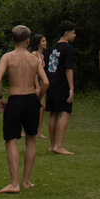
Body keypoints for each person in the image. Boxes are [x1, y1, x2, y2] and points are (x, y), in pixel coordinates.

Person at [0, 24, 49, 194]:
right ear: (27, 41)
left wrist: (0, 98)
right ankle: (25, 181)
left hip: (15, 99)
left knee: (11, 140)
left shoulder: (7, 57)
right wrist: (38, 99)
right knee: (31, 139)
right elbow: (45, 83)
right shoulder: (34, 59)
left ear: (12, 40)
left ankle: (14, 183)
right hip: (31, 99)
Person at [44, 21, 77, 154]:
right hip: (61, 84)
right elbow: (68, 69)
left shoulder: (54, 47)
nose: (75, 36)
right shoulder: (67, 48)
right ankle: (59, 145)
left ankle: (52, 145)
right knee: (65, 113)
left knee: (53, 113)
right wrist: (71, 88)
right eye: (73, 33)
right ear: (66, 33)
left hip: (51, 83)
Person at [30, 34, 49, 139]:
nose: (45, 43)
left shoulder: (42, 56)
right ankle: (24, 128)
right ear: (38, 43)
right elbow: (34, 72)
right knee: (35, 106)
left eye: (45, 41)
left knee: (42, 107)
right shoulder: (34, 54)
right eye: (43, 41)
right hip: (33, 84)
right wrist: (37, 86)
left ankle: (38, 130)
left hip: (41, 84)